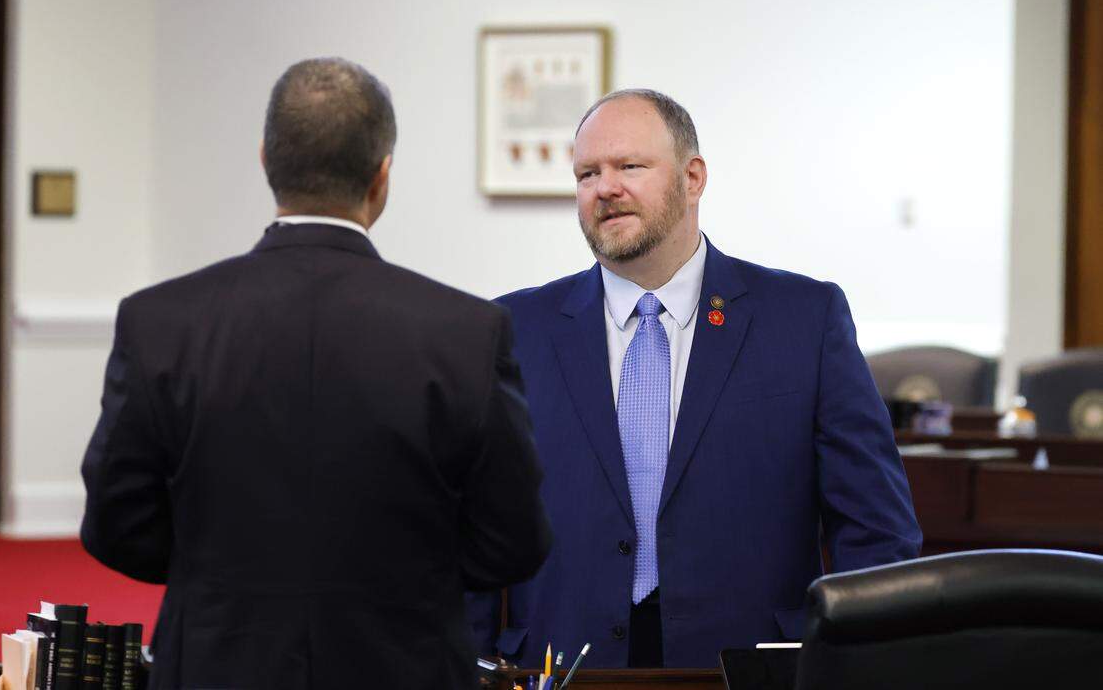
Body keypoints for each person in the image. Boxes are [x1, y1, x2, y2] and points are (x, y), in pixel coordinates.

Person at [80, 57, 552, 689]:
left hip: (217, 665)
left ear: (265, 161)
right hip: (404, 664)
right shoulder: (465, 331)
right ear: (382, 176)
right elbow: (512, 539)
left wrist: (220, 573)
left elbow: (116, 525)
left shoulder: (161, 323)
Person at [468, 89, 921, 669]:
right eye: (587, 173)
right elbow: (474, 536)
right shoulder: (515, 330)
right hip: (564, 668)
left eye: (630, 166)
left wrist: (857, 672)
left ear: (693, 178)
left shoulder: (804, 320)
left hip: (751, 668)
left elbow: (876, 531)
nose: (606, 187)